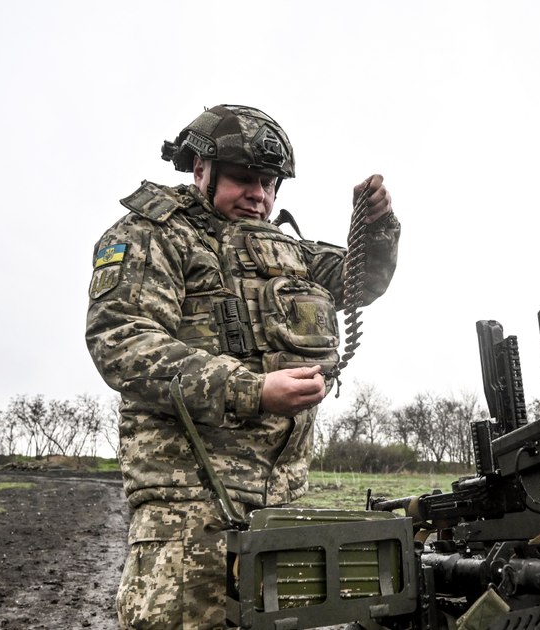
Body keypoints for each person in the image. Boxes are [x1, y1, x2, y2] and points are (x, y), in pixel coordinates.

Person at [85, 104, 401, 629]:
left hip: (282, 506)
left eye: (269, 183)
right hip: (188, 509)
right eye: (243, 179)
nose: (259, 194)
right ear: (200, 170)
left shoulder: (286, 248)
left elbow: (359, 282)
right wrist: (252, 390)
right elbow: (121, 341)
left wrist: (377, 228)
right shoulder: (154, 234)